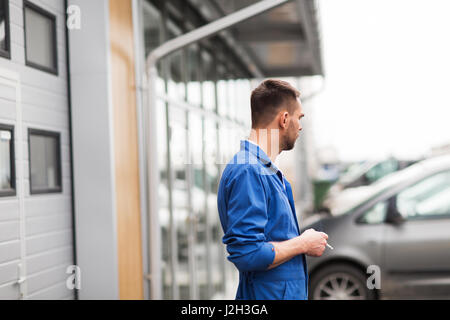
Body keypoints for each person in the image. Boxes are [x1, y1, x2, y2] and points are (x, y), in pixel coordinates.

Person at [217, 79, 329, 300]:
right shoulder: (249, 171)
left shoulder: (263, 170)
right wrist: (303, 243)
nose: (300, 125)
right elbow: (248, 253)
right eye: (299, 117)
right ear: (285, 119)